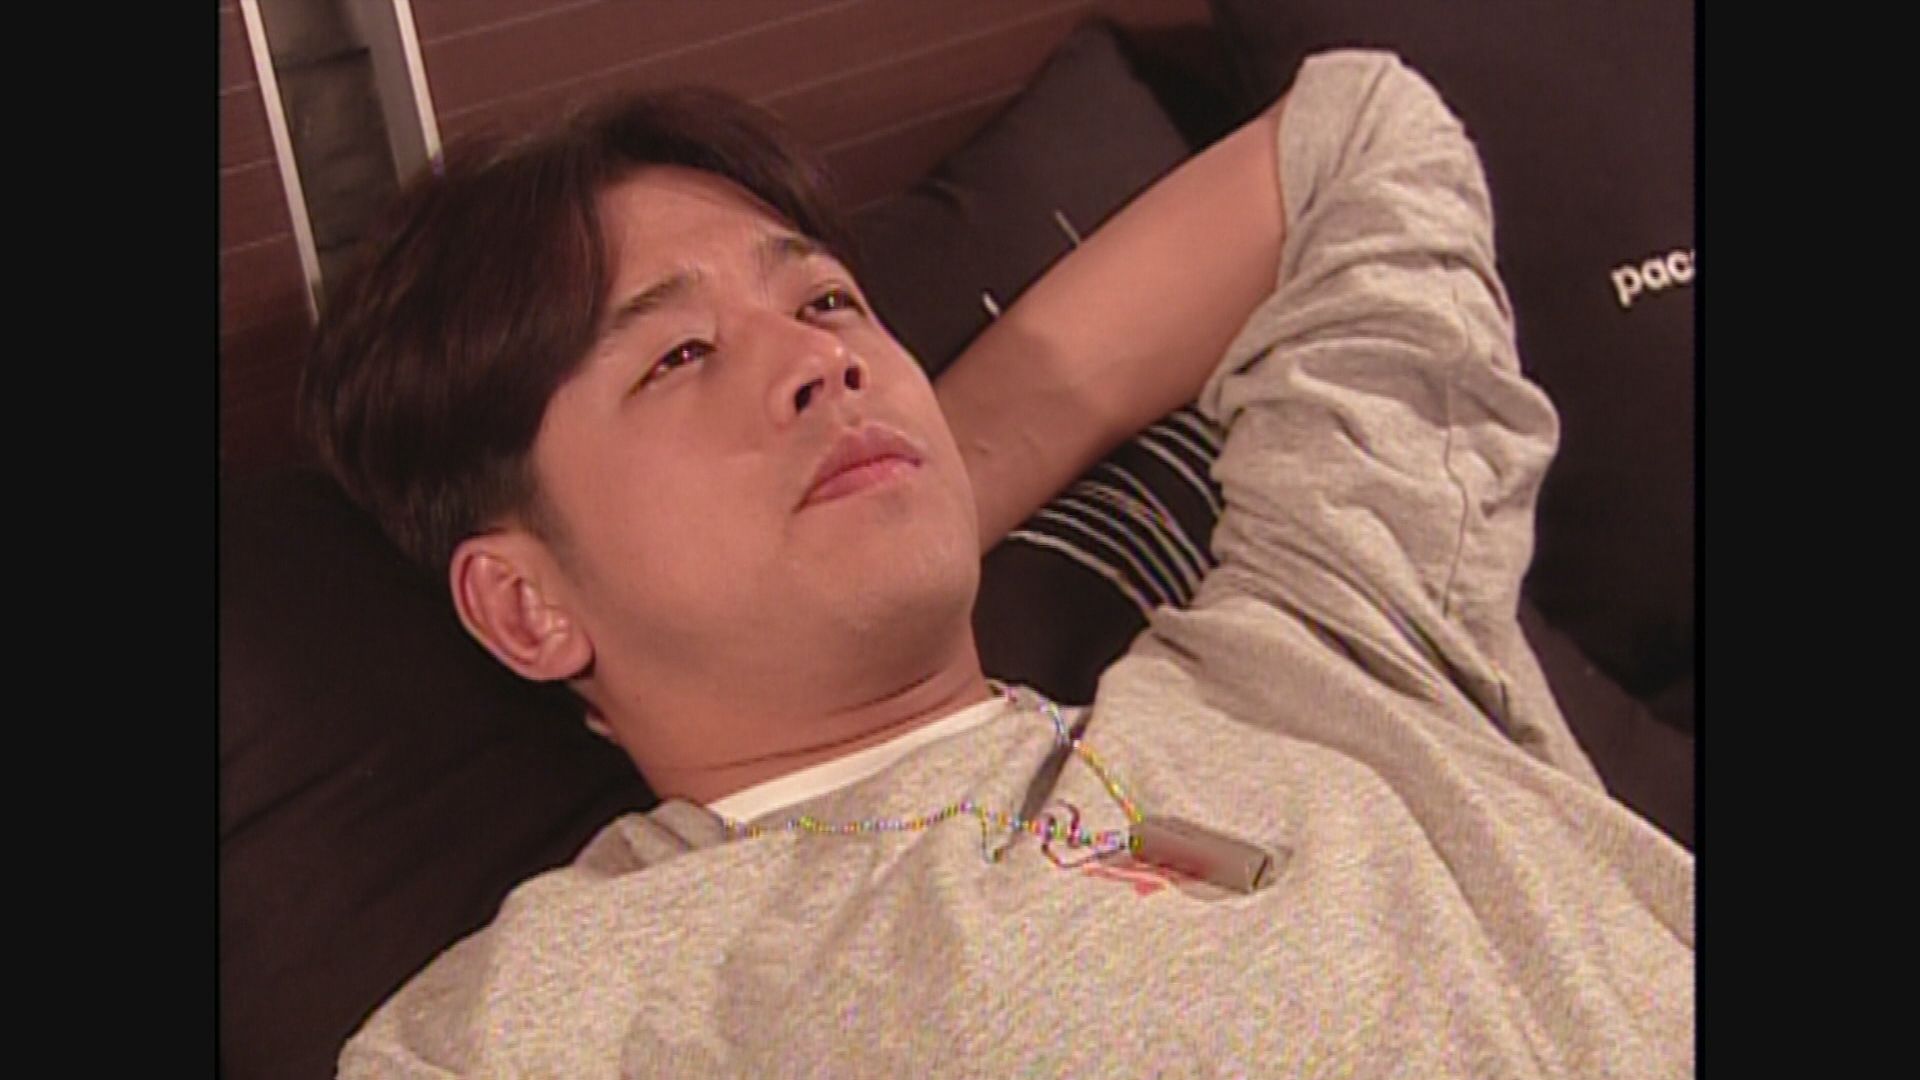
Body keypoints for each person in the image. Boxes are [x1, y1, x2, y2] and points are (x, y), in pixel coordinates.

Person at [307, 48, 1693, 1078]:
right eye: (678, 355)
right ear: (527, 607)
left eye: (829, 299)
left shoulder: (1322, 640)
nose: (823, 358)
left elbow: (1360, 137)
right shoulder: (543, 1026)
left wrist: (920, 476)